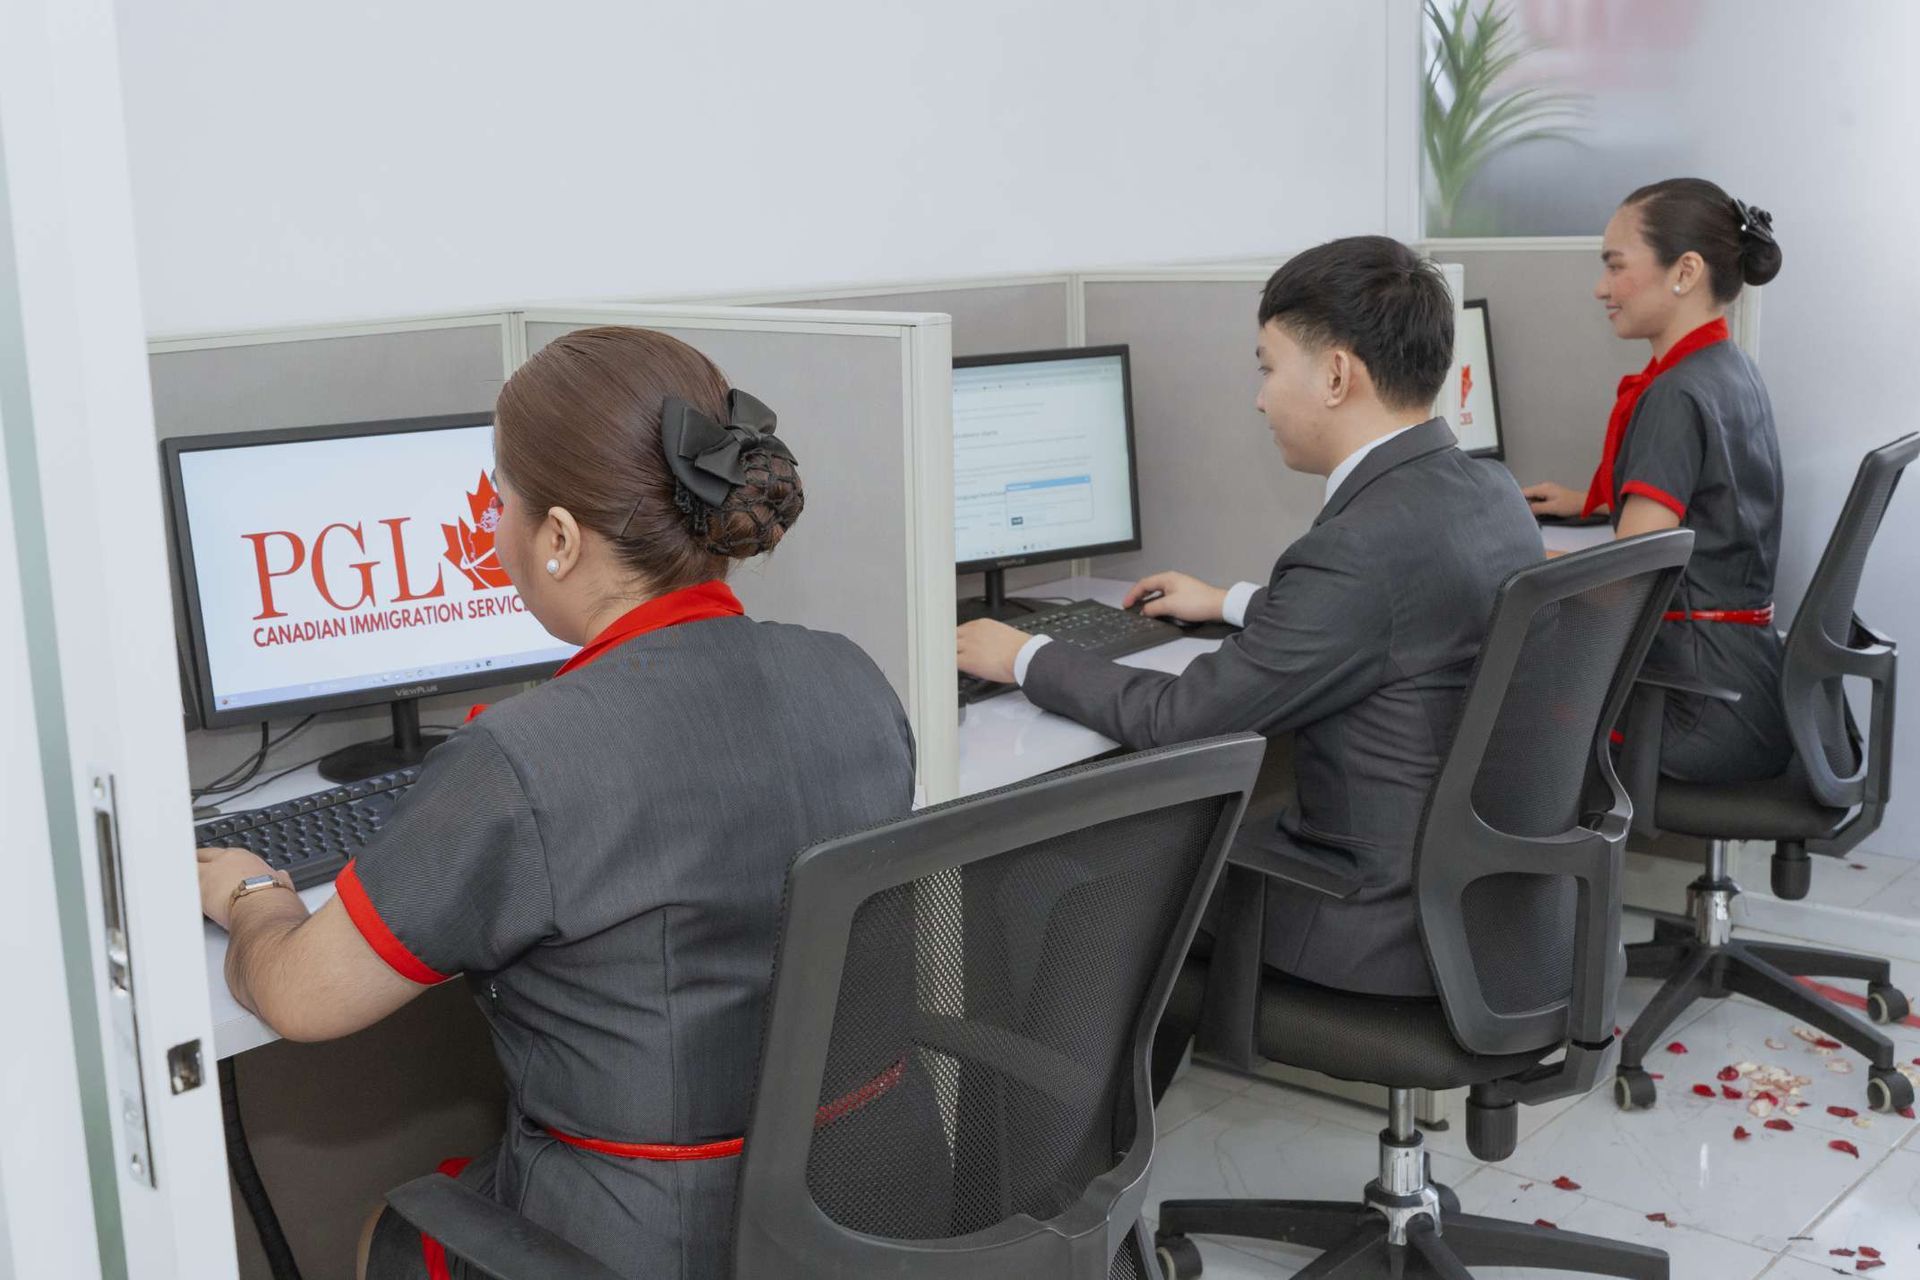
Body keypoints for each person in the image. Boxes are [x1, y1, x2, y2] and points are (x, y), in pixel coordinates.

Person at [196, 326, 918, 1280]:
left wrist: (254, 898)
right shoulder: (854, 677)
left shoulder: (520, 761)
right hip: (871, 1203)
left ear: (563, 539)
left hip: (647, 1245)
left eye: (499, 506)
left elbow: (300, 997)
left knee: (393, 1228)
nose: (490, 533)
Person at [956, 235, 1542, 1014]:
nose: (1261, 397)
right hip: (1480, 901)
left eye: (1267, 367)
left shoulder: (1358, 551)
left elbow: (1180, 718)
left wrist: (1026, 653)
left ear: (1336, 374)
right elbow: (1398, 624)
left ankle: (1065, 1134)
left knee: (1067, 893)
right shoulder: (1485, 491)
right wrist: (1230, 601)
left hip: (1372, 920)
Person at [1523, 178, 1789, 783]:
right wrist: (1587, 503)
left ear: (1685, 271)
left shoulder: (1675, 393)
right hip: (1743, 688)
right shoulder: (1729, 368)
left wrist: (1509, 552)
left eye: (1616, 267)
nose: (1601, 287)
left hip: (1690, 708)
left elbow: (1625, 583)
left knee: (1485, 715)